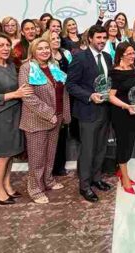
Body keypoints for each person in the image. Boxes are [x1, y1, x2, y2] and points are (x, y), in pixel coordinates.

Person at [0, 34, 33, 205]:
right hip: (1, 116)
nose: (5, 48)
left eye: (7, 45)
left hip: (15, 113)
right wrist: (15, 94)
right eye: (1, 45)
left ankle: (6, 184)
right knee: (3, 154)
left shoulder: (10, 65)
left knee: (11, 153)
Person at [18, 38, 71, 204]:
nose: (44, 51)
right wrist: (49, 113)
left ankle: (48, 181)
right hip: (37, 120)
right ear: (33, 51)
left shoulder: (53, 66)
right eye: (40, 48)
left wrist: (63, 114)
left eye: (46, 48)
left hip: (56, 117)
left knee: (50, 154)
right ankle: (35, 189)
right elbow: (28, 96)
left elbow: (63, 91)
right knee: (37, 158)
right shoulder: (26, 68)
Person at [66, 25, 114, 202]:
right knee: (87, 150)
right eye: (98, 38)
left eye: (104, 38)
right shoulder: (80, 58)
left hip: (105, 110)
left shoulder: (108, 58)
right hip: (87, 111)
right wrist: (89, 96)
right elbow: (70, 85)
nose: (101, 41)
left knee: (101, 147)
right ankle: (84, 186)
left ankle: (96, 178)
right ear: (90, 39)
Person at [108, 42, 135, 194]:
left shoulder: (134, 69)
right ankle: (125, 177)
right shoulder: (115, 72)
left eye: (133, 53)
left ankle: (122, 171)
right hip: (121, 113)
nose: (132, 55)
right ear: (121, 55)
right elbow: (111, 96)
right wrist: (126, 106)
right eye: (129, 53)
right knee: (123, 144)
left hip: (134, 112)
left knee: (130, 143)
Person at [42, 30, 73, 177]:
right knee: (52, 134)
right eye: (53, 38)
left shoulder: (65, 53)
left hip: (66, 95)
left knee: (62, 133)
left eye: (58, 38)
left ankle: (60, 165)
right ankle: (51, 167)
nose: (56, 40)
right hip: (51, 98)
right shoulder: (44, 58)